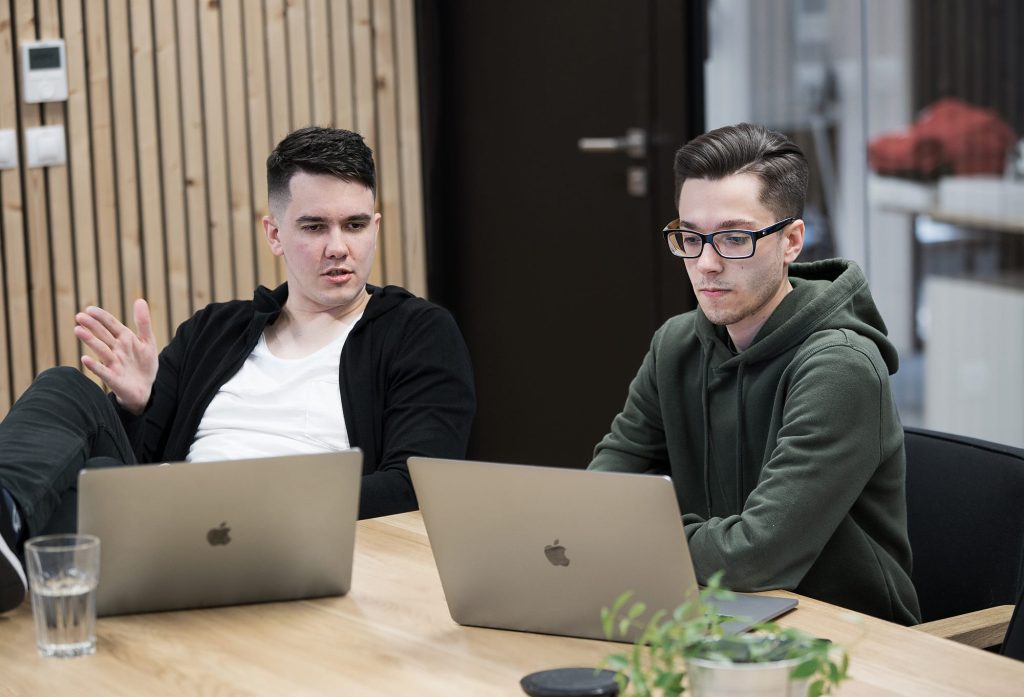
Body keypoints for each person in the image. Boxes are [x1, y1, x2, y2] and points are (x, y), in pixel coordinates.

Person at [0, 126, 475, 613]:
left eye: (354, 225)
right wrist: (135, 406)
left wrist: (256, 499)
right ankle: (5, 515)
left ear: (375, 227)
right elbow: (139, 464)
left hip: (289, 543)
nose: (338, 247)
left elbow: (416, 483)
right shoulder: (214, 330)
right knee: (66, 392)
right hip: (175, 524)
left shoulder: (415, 332)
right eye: (315, 227)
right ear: (275, 234)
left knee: (79, 505)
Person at [588, 123, 921, 625]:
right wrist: (618, 532)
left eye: (734, 238)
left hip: (843, 637)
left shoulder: (840, 366)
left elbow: (755, 557)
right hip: (708, 610)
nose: (706, 263)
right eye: (691, 237)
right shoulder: (675, 345)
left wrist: (628, 537)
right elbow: (598, 500)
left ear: (791, 241)